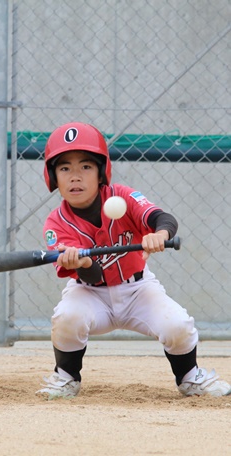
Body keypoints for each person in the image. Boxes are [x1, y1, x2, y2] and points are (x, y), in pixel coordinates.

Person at [36, 121, 231, 398]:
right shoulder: (56, 223)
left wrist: (160, 234)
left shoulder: (122, 197)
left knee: (177, 324)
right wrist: (81, 263)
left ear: (102, 172)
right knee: (67, 316)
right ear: (53, 176)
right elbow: (92, 277)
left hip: (138, 289)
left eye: (86, 167)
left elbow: (163, 219)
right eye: (65, 168)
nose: (75, 176)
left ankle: (190, 378)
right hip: (90, 293)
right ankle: (66, 377)